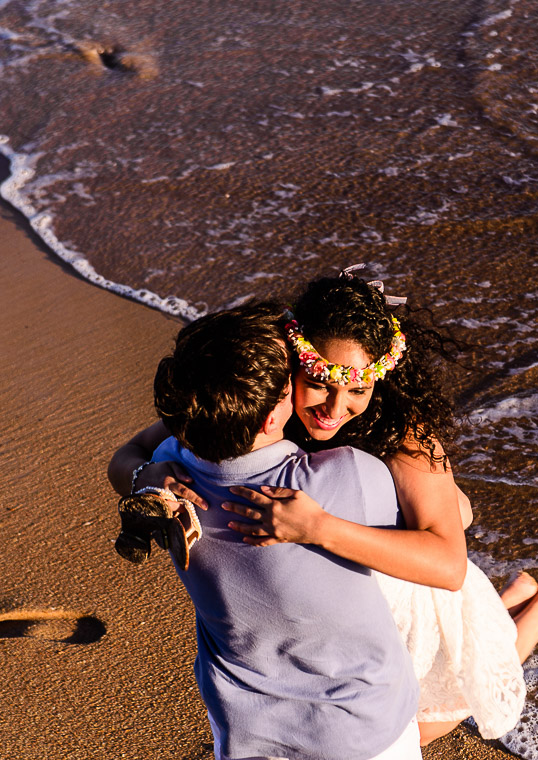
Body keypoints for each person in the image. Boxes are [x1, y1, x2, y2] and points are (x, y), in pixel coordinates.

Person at [110, 271, 538, 746]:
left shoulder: (407, 436)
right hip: (332, 598)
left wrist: (318, 527)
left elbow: (447, 565)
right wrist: (145, 475)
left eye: (358, 390)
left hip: (405, 577)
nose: (334, 408)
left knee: (441, 707)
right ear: (290, 363)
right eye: (320, 382)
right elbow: (130, 455)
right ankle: (521, 594)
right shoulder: (256, 401)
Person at [117, 301, 424, 760]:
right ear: (271, 416)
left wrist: (144, 476)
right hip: (361, 730)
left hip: (247, 733)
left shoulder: (172, 466)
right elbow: (437, 534)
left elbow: (129, 455)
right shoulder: (348, 474)